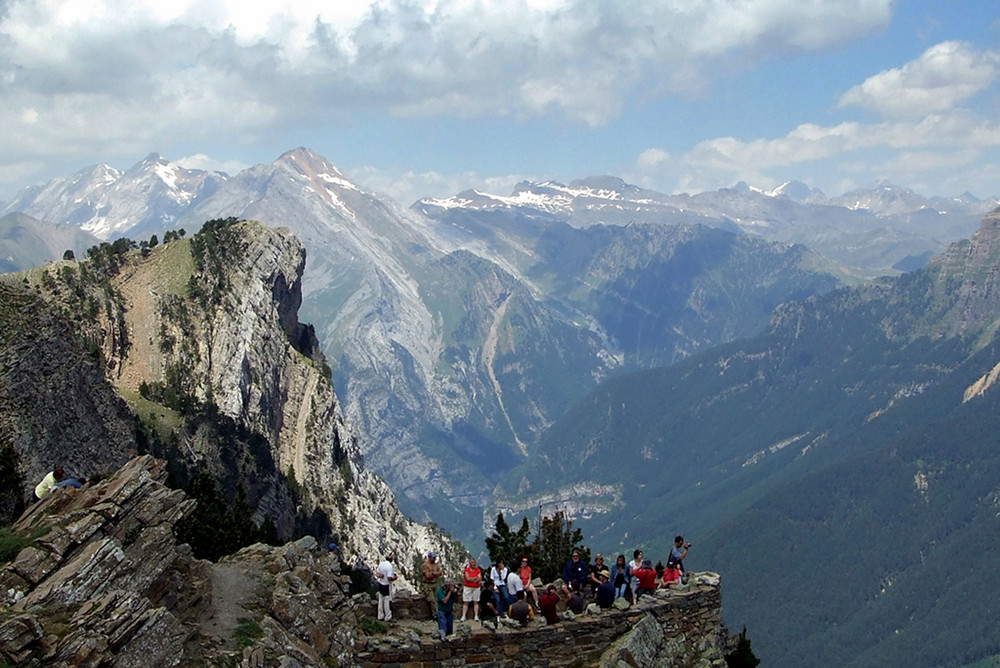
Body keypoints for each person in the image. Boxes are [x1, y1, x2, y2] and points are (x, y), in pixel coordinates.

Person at [421, 552, 444, 619]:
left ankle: (439, 613)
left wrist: (433, 573)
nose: (434, 559)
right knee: (432, 599)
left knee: (438, 598)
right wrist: (435, 574)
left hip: (435, 584)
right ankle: (435, 614)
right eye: (433, 558)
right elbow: (428, 575)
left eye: (435, 558)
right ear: (429, 557)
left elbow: (440, 573)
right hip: (428, 584)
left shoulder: (436, 565)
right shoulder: (425, 565)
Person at [375, 555, 398, 621]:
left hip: (381, 583)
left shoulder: (381, 564)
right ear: (391, 559)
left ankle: (380, 616)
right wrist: (395, 578)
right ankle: (388, 617)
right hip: (387, 585)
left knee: (380, 600)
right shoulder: (389, 567)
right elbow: (389, 578)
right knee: (387, 601)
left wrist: (381, 576)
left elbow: (377, 574)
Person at [461, 557, 482, 622]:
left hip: (476, 588)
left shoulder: (478, 570)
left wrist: (472, 579)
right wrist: (475, 578)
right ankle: (463, 616)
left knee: (476, 602)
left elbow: (480, 578)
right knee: (466, 602)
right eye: (473, 563)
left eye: (475, 562)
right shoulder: (467, 570)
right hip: (468, 587)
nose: (474, 564)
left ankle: (476, 616)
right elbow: (467, 578)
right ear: (470, 563)